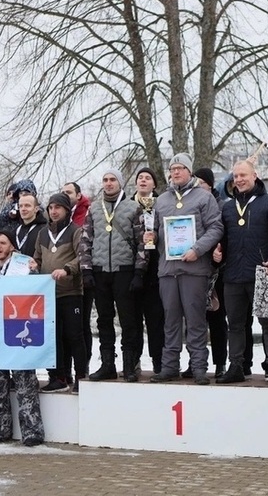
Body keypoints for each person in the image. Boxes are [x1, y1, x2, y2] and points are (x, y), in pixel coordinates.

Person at [147, 153, 223, 385]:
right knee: (170, 320)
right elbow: (158, 231)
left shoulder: (203, 197)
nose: (176, 172)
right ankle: (169, 366)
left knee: (195, 320)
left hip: (194, 269)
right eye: (173, 168)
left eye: (181, 168)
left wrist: (198, 249)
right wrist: (151, 236)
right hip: (168, 270)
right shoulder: (161, 200)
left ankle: (199, 367)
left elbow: (216, 228)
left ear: (190, 171)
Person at [214, 160, 268, 387]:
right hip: (234, 274)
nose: (239, 180)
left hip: (264, 272)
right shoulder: (227, 207)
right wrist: (218, 252)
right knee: (234, 323)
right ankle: (236, 365)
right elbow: (223, 238)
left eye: (243, 175)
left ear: (255, 175)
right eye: (236, 176)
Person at [79, 169, 147, 382]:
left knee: (128, 320)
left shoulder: (133, 207)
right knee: (104, 320)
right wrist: (86, 269)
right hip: (99, 272)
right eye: (105, 180)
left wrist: (139, 271)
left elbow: (142, 241)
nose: (108, 184)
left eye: (112, 180)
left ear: (120, 183)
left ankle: (129, 365)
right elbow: (86, 240)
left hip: (124, 270)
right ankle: (107, 363)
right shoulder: (94, 209)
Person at [0, 231, 44, 446]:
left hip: (17, 330)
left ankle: (32, 431)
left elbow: (36, 291)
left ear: (12, 247)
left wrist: (36, 272)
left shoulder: (23, 266)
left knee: (25, 382)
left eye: (3, 243)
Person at [32, 193, 86, 394]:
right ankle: (58, 377)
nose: (54, 211)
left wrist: (67, 269)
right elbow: (37, 259)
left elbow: (82, 257)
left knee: (74, 336)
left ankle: (81, 376)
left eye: (58, 208)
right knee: (54, 339)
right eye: (51, 208)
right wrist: (32, 265)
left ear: (66, 210)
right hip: (48, 295)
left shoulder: (75, 231)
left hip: (70, 292)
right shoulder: (43, 233)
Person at [191, 167, 228, 378]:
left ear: (210, 185)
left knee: (216, 317)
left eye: (201, 183)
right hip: (193, 266)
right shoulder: (189, 203)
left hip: (216, 270)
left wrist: (219, 249)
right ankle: (196, 362)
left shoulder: (220, 206)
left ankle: (221, 362)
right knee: (195, 319)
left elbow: (224, 232)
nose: (197, 187)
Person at [131, 167, 165, 374]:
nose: (143, 181)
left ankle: (159, 362)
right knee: (133, 319)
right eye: (140, 178)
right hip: (132, 269)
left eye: (148, 178)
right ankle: (133, 361)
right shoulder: (126, 205)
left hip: (156, 268)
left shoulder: (163, 204)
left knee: (156, 319)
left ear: (154, 184)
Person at [62, 181, 94, 371]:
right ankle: (65, 370)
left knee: (82, 326)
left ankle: (84, 367)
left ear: (79, 195)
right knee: (66, 329)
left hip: (83, 278)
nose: (66, 195)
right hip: (64, 282)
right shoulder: (60, 216)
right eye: (63, 192)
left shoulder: (88, 213)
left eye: (69, 192)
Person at [7, 191, 46, 258]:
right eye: (20, 206)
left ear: (36, 209)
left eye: (27, 206)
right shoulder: (15, 231)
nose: (23, 209)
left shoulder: (45, 230)